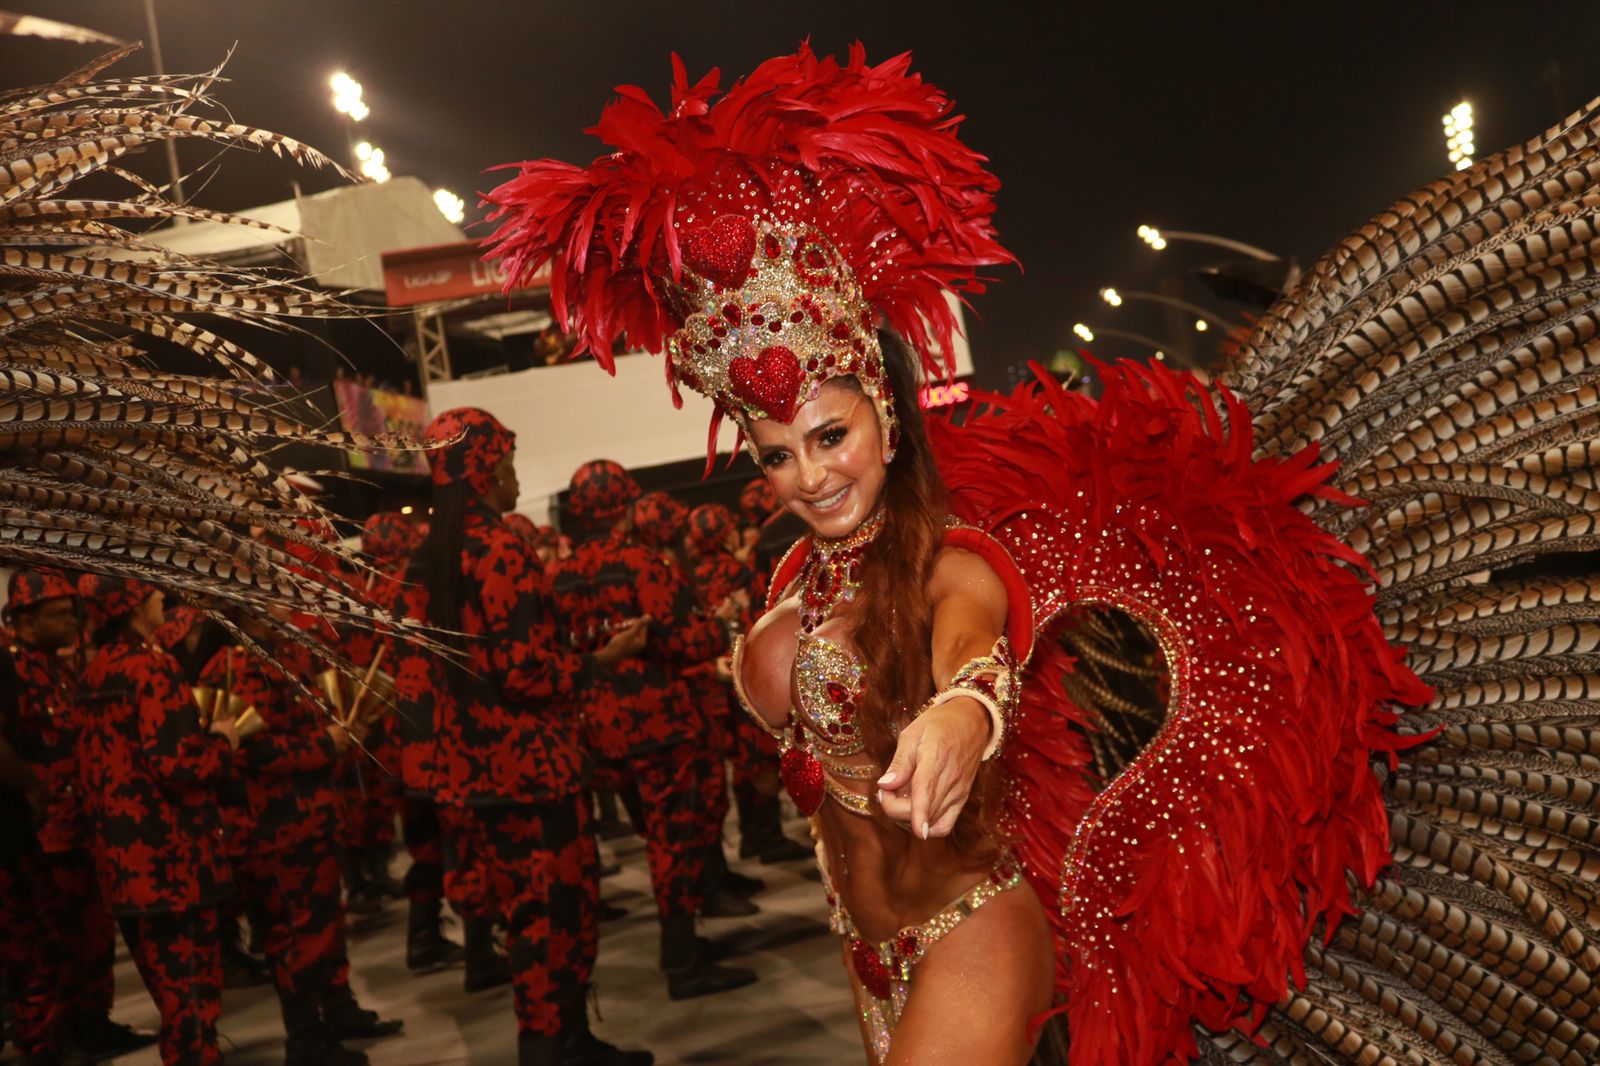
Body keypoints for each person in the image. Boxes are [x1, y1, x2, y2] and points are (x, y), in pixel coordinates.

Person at [485, 42, 1600, 1066]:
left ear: (881, 409)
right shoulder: (784, 587)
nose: (811, 475)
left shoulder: (945, 560)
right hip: (865, 956)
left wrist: (962, 714)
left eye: (831, 437)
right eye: (778, 455)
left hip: (974, 930)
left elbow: (976, 649)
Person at [391, 408, 652, 1066]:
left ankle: (566, 1040)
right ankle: (553, 1048)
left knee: (524, 919)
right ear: (482, 469)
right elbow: (525, 671)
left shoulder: (423, 560)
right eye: (505, 462)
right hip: (530, 770)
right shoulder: (499, 547)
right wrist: (598, 662)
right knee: (555, 918)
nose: (513, 476)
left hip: (466, 775)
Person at [551, 461, 760, 1003]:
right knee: (673, 840)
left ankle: (682, 944)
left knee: (655, 837)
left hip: (600, 728)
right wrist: (724, 625)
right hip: (659, 726)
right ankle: (683, 960)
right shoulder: (640, 563)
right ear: (624, 508)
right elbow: (685, 639)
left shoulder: (561, 575)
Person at [199, 614, 399, 1066]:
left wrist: (341, 735)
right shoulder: (231, 668)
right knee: (295, 938)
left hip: (310, 817)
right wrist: (327, 744)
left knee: (325, 926)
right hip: (272, 829)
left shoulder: (284, 655)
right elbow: (248, 751)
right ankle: (307, 1042)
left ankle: (338, 1012)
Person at [75, 575, 238, 1066]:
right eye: (150, 592)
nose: (160, 598)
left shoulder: (95, 672)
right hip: (172, 859)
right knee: (193, 994)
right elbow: (176, 763)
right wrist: (223, 743)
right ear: (130, 608)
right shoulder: (151, 668)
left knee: (170, 994)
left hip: (126, 863)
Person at [0, 570, 157, 1065]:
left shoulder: (57, 666)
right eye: (58, 613)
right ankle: (46, 1043)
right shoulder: (11, 669)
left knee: (92, 935)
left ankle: (92, 1024)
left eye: (73, 611)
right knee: (45, 948)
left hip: (81, 828)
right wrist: (33, 788)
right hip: (40, 837)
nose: (71, 621)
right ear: (25, 621)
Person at [682, 504, 810, 866]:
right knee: (757, 757)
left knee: (738, 763)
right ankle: (765, 835)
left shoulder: (688, 574)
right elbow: (758, 613)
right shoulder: (737, 571)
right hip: (744, 669)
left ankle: (755, 835)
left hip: (709, 677)